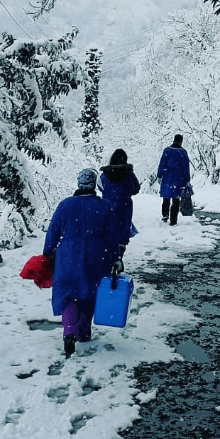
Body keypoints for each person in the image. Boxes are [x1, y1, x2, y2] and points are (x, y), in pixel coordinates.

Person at [43, 168, 123, 357]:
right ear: (94, 184)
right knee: (89, 293)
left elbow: (53, 231)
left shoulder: (65, 205)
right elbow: (113, 237)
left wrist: (47, 253)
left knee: (69, 295)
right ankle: (84, 333)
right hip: (96, 256)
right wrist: (116, 258)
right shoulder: (105, 206)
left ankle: (69, 331)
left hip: (67, 255)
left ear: (78, 184)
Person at [98, 149, 141, 255]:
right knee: (123, 228)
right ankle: (119, 253)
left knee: (108, 228)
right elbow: (136, 188)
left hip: (107, 204)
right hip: (124, 205)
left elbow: (100, 187)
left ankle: (108, 254)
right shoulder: (129, 174)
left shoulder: (105, 174)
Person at [157, 133, 191, 225]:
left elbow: (162, 163)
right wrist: (187, 180)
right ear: (181, 141)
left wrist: (159, 175)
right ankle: (173, 219)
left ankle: (165, 215)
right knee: (176, 199)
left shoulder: (167, 150)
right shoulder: (183, 152)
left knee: (166, 197)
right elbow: (186, 167)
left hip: (167, 176)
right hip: (179, 178)